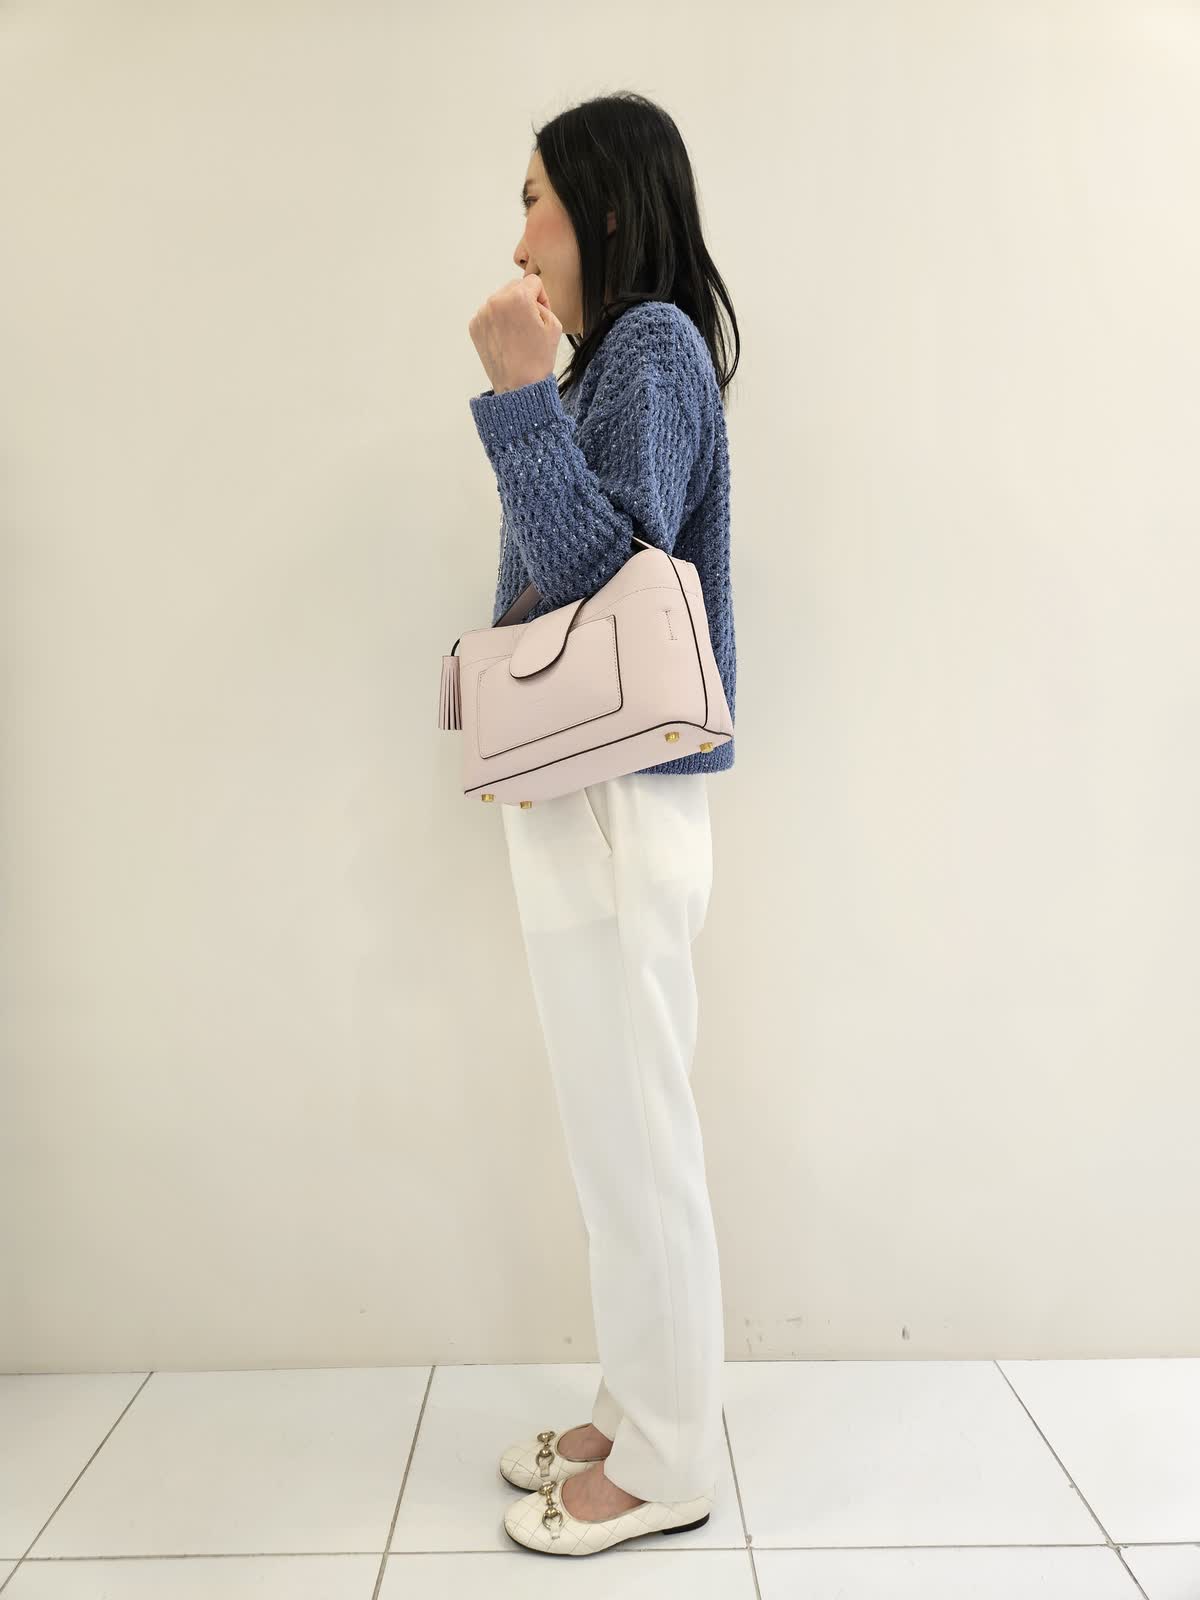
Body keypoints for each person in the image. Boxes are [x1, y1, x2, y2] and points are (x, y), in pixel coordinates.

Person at [465, 91, 740, 1557]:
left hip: (625, 800)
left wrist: (519, 396)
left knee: (642, 1131)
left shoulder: (652, 348)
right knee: (608, 1133)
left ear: (610, 208)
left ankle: (674, 1455)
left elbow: (597, 576)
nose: (520, 240)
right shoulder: (613, 363)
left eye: (538, 201)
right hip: (588, 796)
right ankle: (639, 1401)